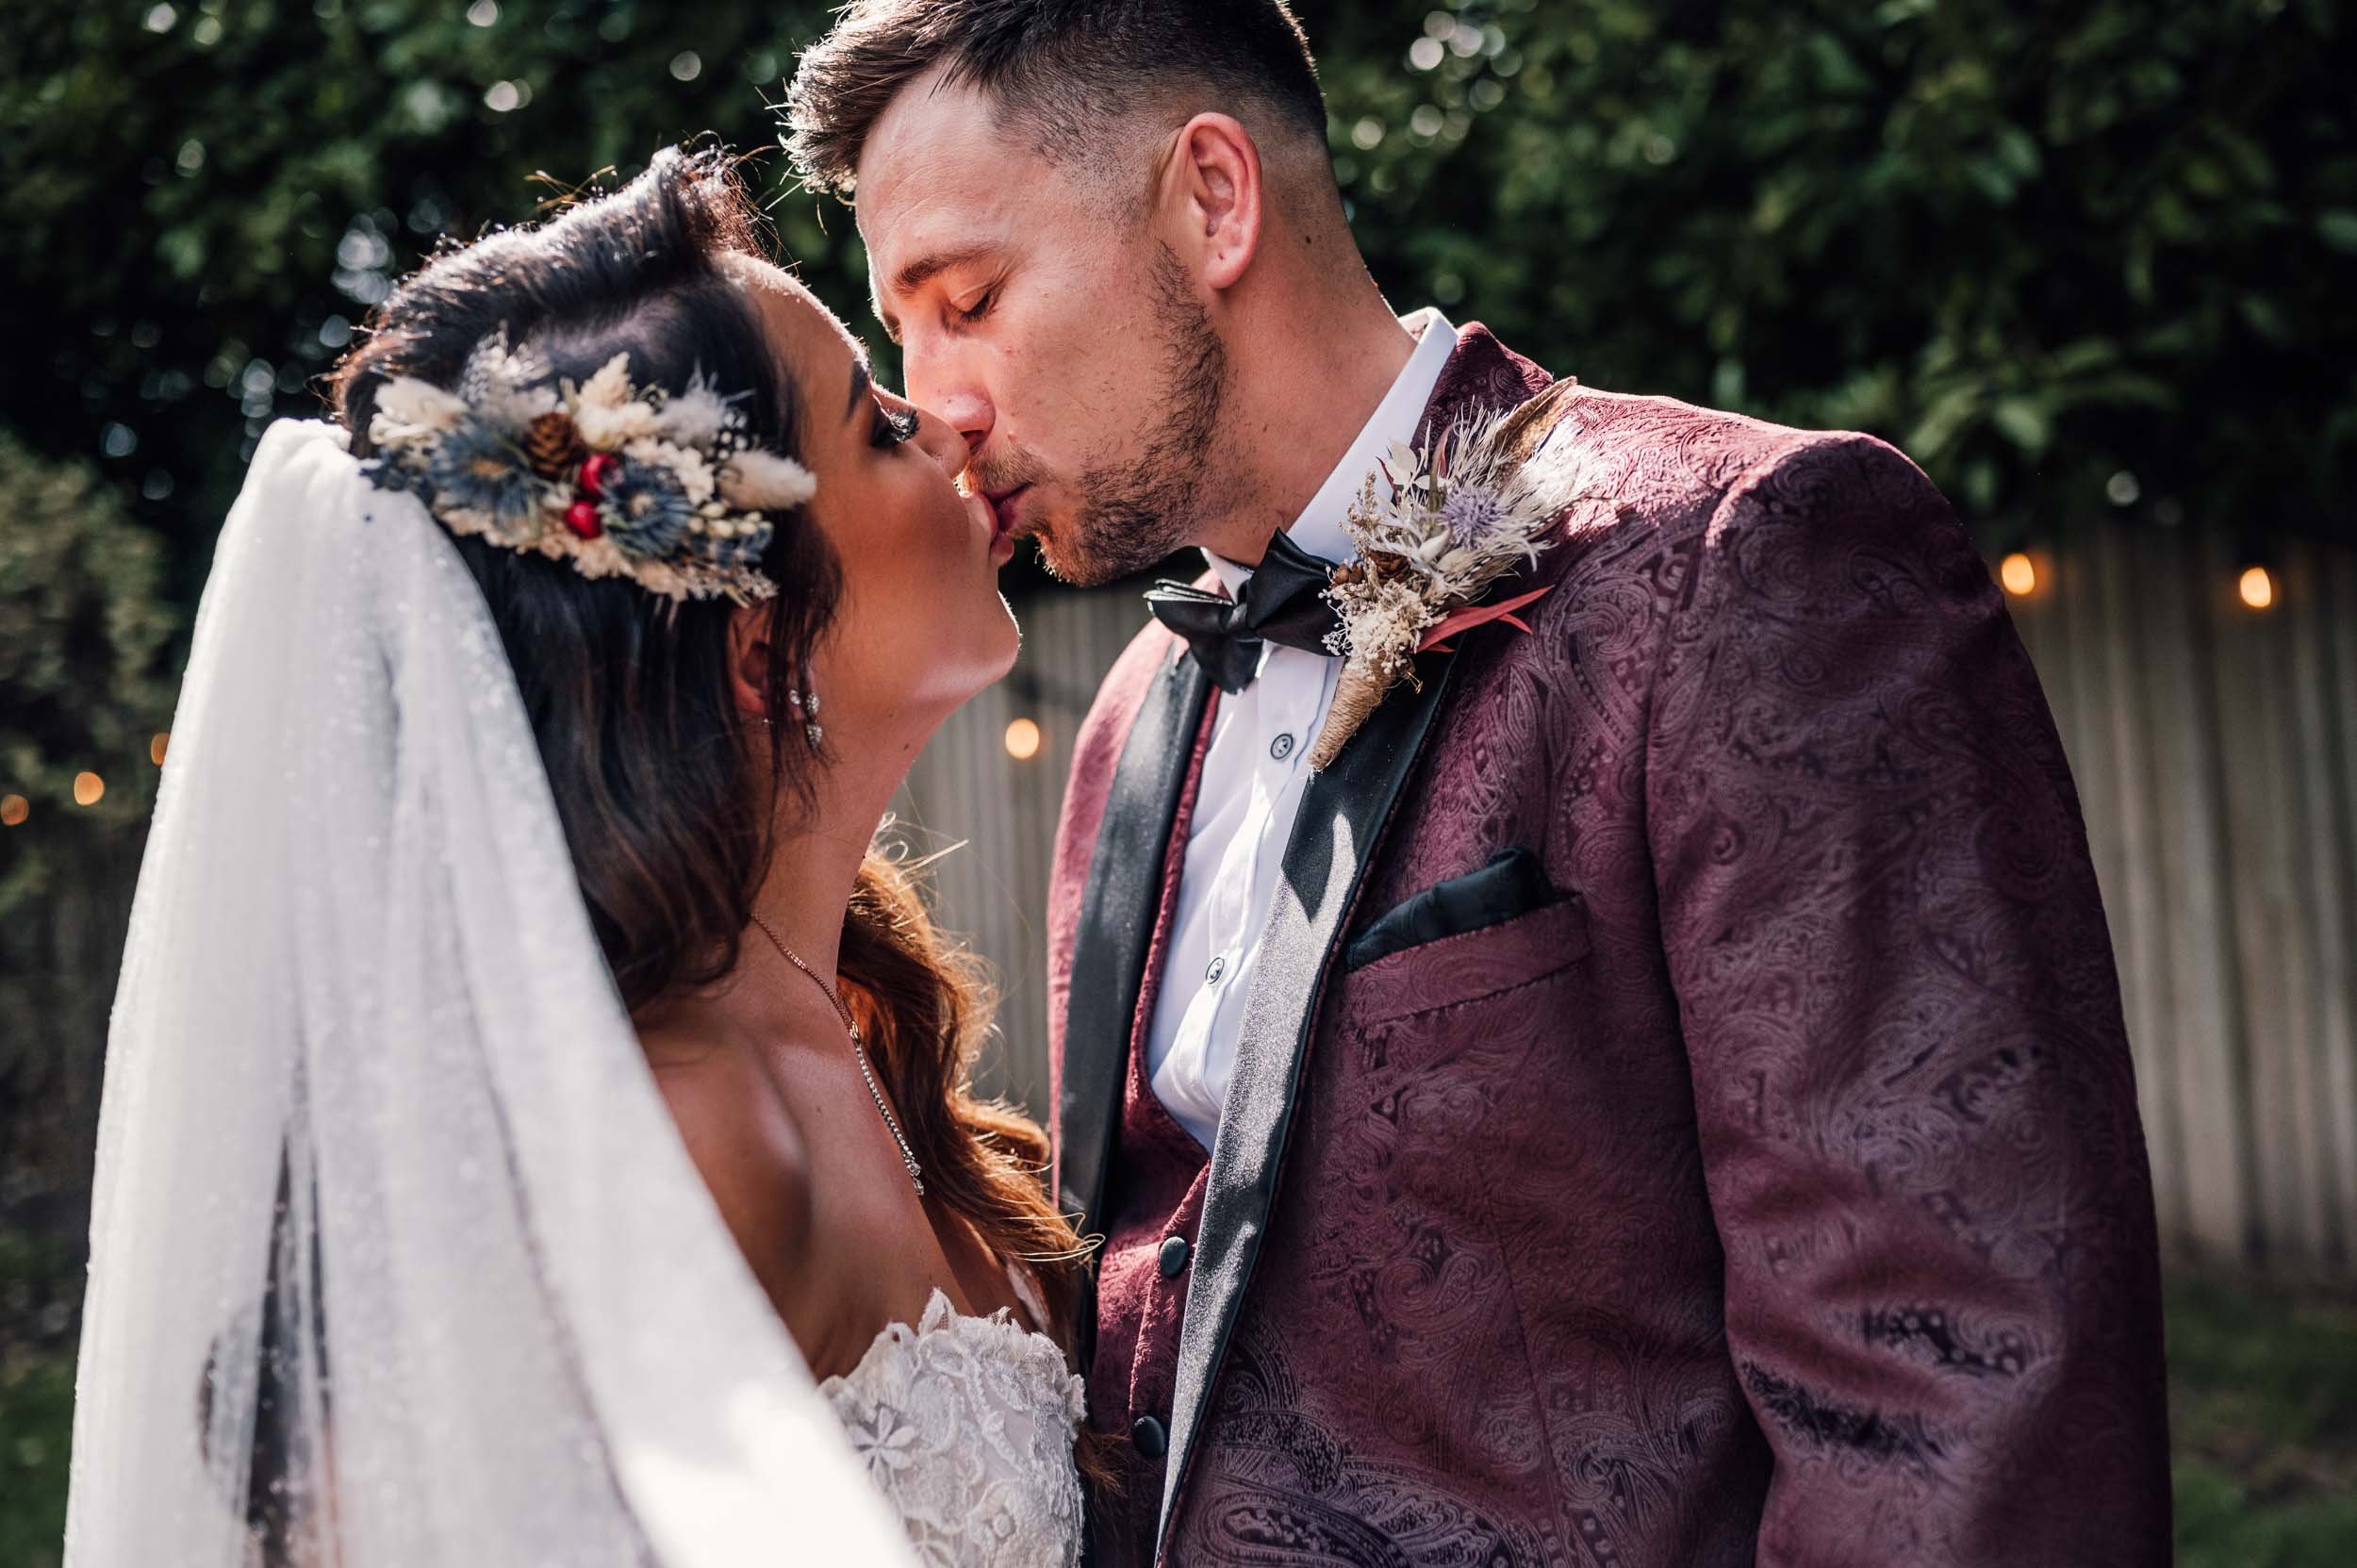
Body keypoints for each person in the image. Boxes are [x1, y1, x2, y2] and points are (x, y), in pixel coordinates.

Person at [783, 3, 2175, 1564]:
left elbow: (1954, 1375)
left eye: (966, 298)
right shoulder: (1130, 718)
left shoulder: (1749, 562)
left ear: (1214, 202)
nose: (939, 403)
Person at [66, 148, 1088, 1568]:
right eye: (873, 425)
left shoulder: (841, 1003)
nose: (948, 425)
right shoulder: (681, 1128)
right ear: (756, 646)